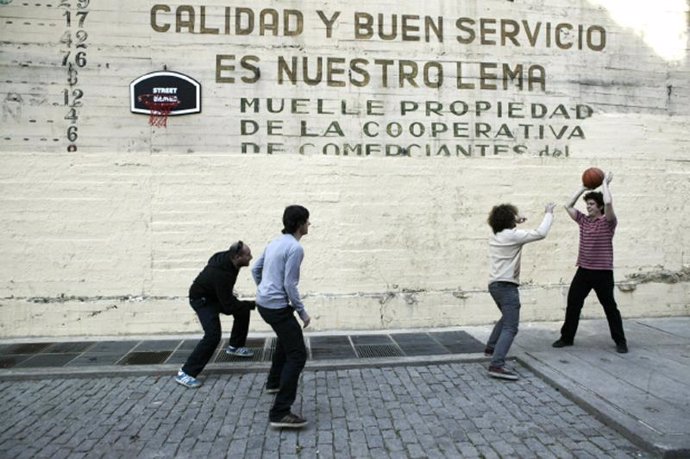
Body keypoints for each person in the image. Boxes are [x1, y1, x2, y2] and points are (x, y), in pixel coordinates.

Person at [553, 172, 628, 353]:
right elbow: (567, 205)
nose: (588, 207)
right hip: (584, 271)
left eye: (592, 204)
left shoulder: (608, 222)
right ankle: (567, 338)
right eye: (587, 204)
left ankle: (620, 341)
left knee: (610, 307)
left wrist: (604, 185)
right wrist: (583, 189)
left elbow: (609, 203)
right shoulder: (583, 221)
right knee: (573, 304)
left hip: (602, 272)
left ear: (600, 207)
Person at [252, 205, 312, 429]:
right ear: (299, 224)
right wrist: (302, 312)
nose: (309, 225)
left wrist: (264, 289)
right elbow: (289, 284)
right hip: (276, 306)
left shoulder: (275, 242)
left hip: (264, 304)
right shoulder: (295, 248)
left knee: (286, 342)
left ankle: (274, 382)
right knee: (297, 355)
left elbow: (255, 269)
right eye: (307, 221)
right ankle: (280, 412)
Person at [485, 202, 556, 380]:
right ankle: (496, 365)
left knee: (506, 318)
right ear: (509, 220)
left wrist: (515, 219)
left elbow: (508, 227)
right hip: (507, 286)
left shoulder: (496, 234)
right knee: (511, 327)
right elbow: (540, 233)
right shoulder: (513, 236)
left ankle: (491, 348)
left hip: (494, 285)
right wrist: (548, 213)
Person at [175, 241, 256, 389]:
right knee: (213, 335)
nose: (251, 257)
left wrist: (230, 296)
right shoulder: (222, 273)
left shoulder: (229, 261)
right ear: (237, 257)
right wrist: (253, 304)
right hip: (202, 301)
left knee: (242, 310)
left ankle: (235, 346)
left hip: (214, 297)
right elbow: (229, 306)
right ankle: (186, 373)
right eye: (248, 255)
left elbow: (225, 294)